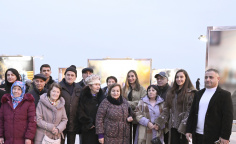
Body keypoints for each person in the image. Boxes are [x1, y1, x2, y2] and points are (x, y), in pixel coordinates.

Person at [186, 69, 233, 144]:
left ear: (218, 79)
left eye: (211, 77)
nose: (207, 79)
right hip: (197, 136)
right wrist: (188, 130)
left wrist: (225, 136)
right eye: (206, 77)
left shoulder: (225, 95)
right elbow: (192, 113)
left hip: (214, 137)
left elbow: (228, 118)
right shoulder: (198, 94)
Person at [155, 69, 196, 144]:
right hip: (172, 126)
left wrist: (183, 126)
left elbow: (189, 111)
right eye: (177, 77)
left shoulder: (191, 93)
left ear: (186, 78)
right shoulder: (171, 92)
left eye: (181, 77)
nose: (179, 79)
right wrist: (159, 122)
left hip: (184, 128)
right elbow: (166, 109)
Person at [78, 74, 105, 144]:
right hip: (87, 129)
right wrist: (88, 123)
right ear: (90, 86)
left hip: (99, 130)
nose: (98, 86)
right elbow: (80, 111)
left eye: (99, 84)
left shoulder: (103, 97)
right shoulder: (83, 96)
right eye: (95, 84)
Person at [59, 65, 82, 144]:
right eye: (68, 75)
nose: (70, 77)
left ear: (75, 77)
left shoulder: (79, 88)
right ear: (64, 75)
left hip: (73, 123)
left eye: (72, 75)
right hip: (60, 123)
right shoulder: (59, 87)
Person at [122, 70, 146, 144]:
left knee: (136, 137)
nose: (130, 78)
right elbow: (121, 100)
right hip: (126, 116)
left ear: (136, 77)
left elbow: (142, 101)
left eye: (132, 76)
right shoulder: (124, 88)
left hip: (137, 116)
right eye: (129, 76)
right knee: (127, 137)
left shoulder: (141, 89)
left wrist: (128, 103)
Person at [155, 71, 171, 144]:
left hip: (167, 124)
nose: (159, 80)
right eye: (158, 78)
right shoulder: (155, 90)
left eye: (161, 78)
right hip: (156, 122)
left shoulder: (171, 91)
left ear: (167, 80)